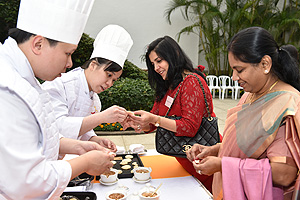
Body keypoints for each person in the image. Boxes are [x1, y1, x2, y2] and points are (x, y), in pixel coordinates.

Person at [0, 0, 116, 199]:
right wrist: (85, 163)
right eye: (68, 53)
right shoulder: (8, 89)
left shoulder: (25, 79)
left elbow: (37, 136)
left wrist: (78, 146)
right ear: (38, 44)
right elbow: (26, 182)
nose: (70, 63)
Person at [187, 27, 300, 199]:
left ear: (265, 64)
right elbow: (247, 148)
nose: (233, 77)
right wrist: (215, 150)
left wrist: (223, 165)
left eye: (239, 70)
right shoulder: (250, 94)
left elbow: (284, 173)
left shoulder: (287, 104)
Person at [127, 36, 220, 192]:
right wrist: (135, 121)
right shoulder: (168, 85)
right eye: (152, 64)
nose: (156, 67)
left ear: (174, 55)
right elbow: (153, 121)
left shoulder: (191, 81)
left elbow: (190, 127)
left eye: (159, 61)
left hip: (203, 160)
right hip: (183, 159)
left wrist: (156, 120)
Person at [42, 24, 133, 151]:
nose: (109, 83)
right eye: (108, 75)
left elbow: (83, 133)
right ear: (93, 65)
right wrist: (102, 117)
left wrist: (96, 140)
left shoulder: (95, 101)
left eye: (114, 80)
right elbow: (57, 127)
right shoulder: (60, 85)